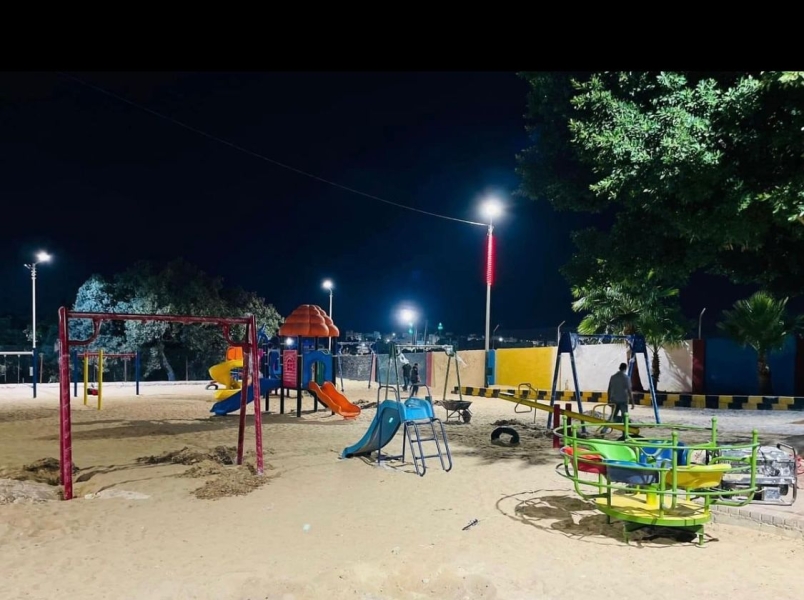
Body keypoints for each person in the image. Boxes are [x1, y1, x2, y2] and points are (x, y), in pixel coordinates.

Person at [607, 362, 633, 426]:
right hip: (623, 401)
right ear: (626, 369)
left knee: (612, 416)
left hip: (614, 400)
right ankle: (625, 431)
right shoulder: (626, 378)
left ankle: (604, 429)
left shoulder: (613, 377)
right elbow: (629, 391)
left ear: (619, 368)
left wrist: (608, 400)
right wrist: (632, 402)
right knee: (625, 417)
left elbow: (609, 389)